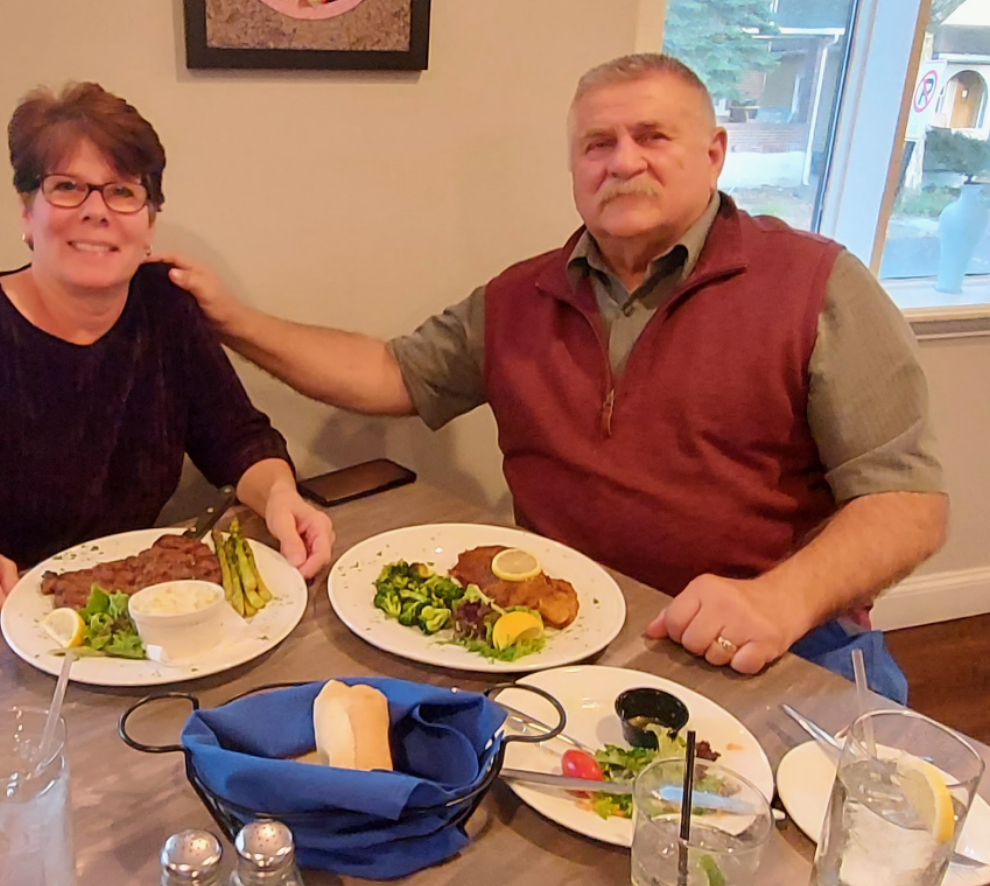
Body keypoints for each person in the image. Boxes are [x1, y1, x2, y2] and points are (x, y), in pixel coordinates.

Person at [159, 53, 945, 699]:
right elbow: (387, 372)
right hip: (559, 635)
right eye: (597, 144)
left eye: (651, 137)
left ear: (713, 153)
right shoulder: (517, 297)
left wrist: (781, 599)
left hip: (775, 646)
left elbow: (907, 505)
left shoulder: (817, 286)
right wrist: (229, 319)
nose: (623, 161)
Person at [0, 82, 333, 616]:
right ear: (26, 213)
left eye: (122, 191)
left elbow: (239, 441)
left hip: (107, 618)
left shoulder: (165, 307)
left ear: (149, 221)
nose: (97, 210)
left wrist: (280, 496)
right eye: (67, 187)